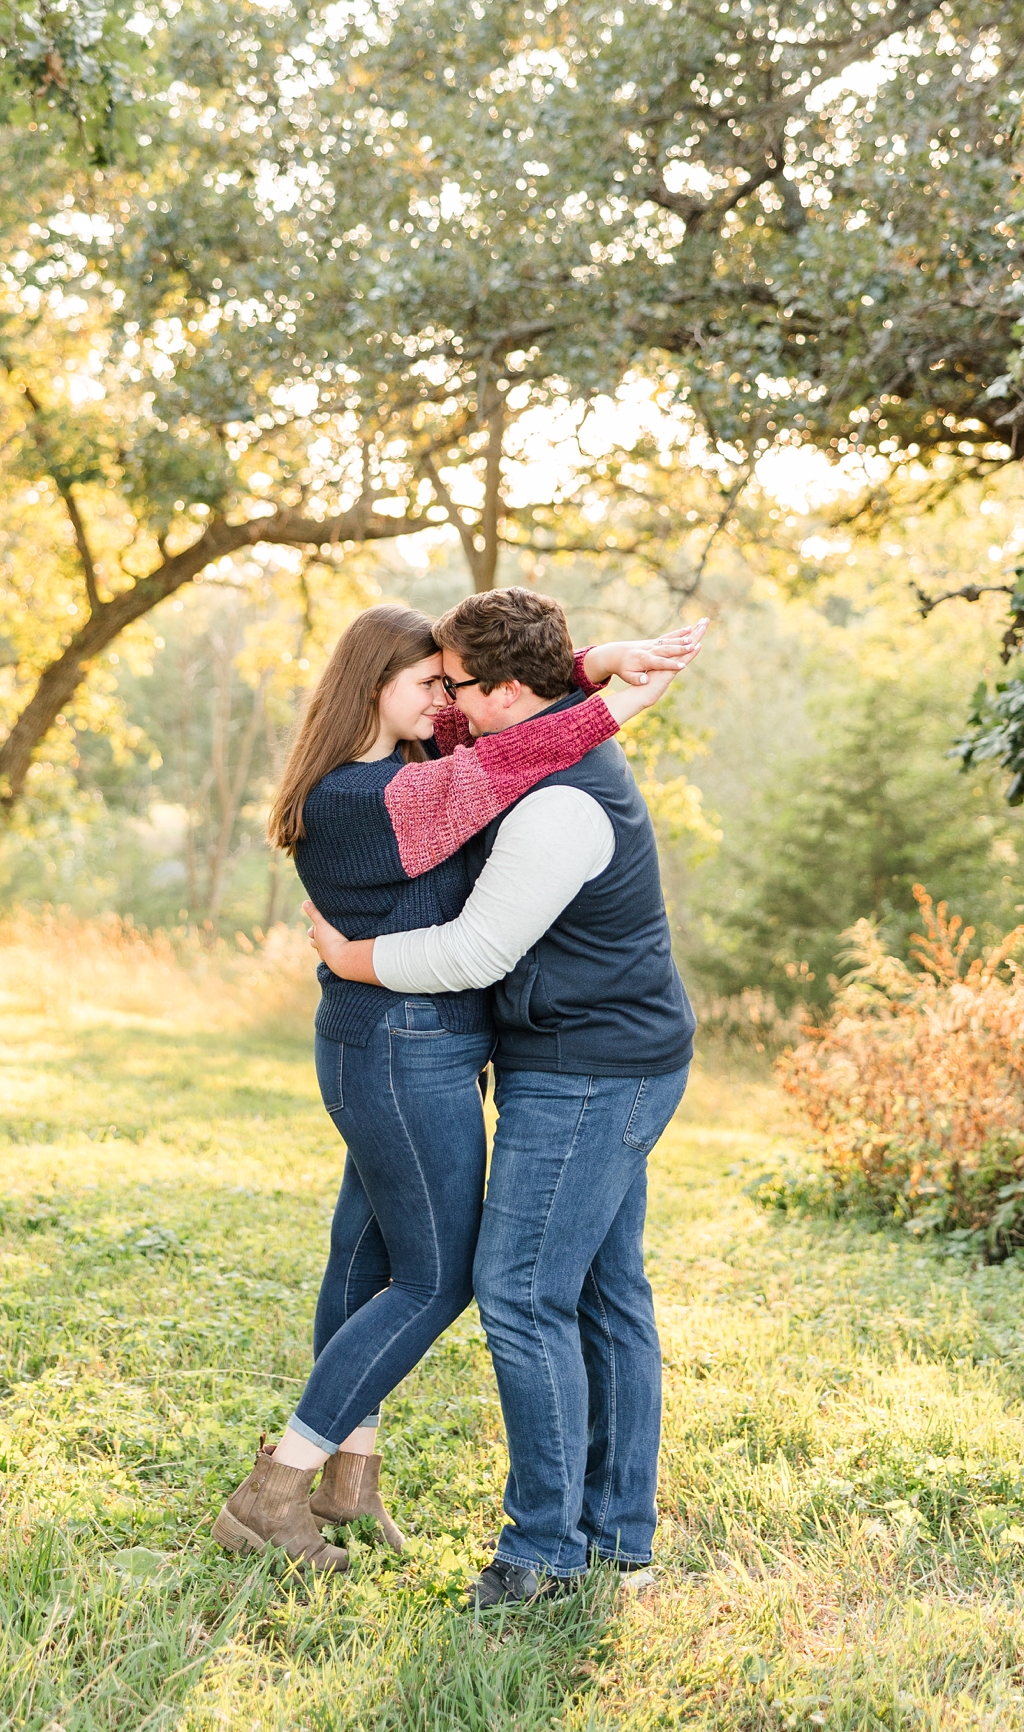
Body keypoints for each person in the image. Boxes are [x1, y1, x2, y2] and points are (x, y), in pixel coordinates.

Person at [213, 600, 704, 1572]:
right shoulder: (374, 798)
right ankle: (279, 1490)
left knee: (366, 1265)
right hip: (402, 1049)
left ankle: (351, 1481)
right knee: (435, 1279)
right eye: (429, 683)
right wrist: (608, 702)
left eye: (456, 685)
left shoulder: (412, 762)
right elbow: (503, 749)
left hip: (440, 1050)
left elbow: (503, 729)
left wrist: (594, 667)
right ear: (377, 691)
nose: (446, 703)